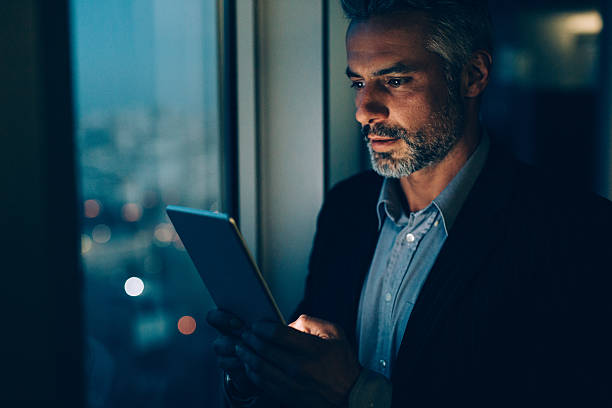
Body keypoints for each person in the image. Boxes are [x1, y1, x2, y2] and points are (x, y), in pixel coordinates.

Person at [207, 1, 612, 406]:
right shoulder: (345, 209)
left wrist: (357, 393)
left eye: (396, 81)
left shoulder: (575, 233)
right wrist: (257, 374)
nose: (364, 111)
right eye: (358, 83)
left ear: (473, 76)